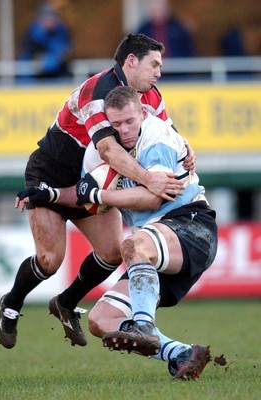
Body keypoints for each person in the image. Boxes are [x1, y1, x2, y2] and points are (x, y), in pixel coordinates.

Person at [0, 33, 195, 350]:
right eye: (154, 64)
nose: (159, 72)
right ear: (132, 61)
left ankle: (65, 302)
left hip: (95, 182)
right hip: (52, 175)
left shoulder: (151, 96)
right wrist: (149, 179)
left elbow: (168, 132)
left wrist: (185, 147)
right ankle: (11, 305)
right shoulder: (98, 91)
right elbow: (108, 150)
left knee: (113, 253)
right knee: (50, 260)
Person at [36, 86, 217, 380]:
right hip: (152, 249)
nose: (125, 130)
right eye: (116, 124)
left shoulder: (156, 137)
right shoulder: (102, 153)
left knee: (131, 245)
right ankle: (182, 353)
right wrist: (49, 195)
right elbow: (86, 195)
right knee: (100, 319)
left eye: (130, 121)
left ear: (142, 113)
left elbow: (154, 197)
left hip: (191, 227)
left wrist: (100, 196)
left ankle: (144, 324)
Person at [18, 3, 73, 79]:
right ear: (39, 19)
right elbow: (29, 53)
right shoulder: (32, 34)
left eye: (52, 18)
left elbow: (68, 49)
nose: (49, 21)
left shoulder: (62, 31)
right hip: (34, 71)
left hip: (58, 71)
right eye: (46, 18)